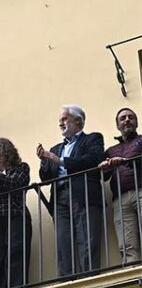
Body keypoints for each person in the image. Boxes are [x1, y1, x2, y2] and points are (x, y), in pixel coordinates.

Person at [37, 105, 105, 276]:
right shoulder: (55, 149)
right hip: (60, 199)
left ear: (78, 121)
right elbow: (46, 178)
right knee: (63, 243)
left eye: (65, 119)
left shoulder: (93, 139)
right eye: (60, 119)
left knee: (87, 240)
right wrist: (45, 161)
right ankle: (66, 283)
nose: (61, 122)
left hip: (84, 195)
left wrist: (61, 161)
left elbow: (93, 160)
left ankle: (89, 280)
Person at [0, 138, 32, 288]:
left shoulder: (21, 168)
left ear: (4, 152)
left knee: (15, 252)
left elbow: (15, 183)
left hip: (16, 215)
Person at [99, 107, 142, 264]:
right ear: (117, 125)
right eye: (123, 118)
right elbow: (102, 176)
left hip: (141, 191)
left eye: (131, 117)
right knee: (127, 244)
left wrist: (125, 162)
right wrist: (105, 166)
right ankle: (131, 277)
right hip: (120, 199)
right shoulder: (111, 150)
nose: (127, 120)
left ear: (136, 122)